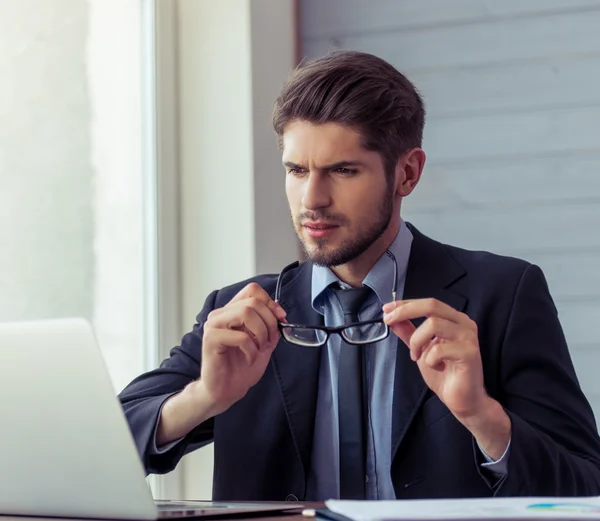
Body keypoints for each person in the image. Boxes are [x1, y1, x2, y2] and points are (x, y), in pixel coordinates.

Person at [119, 50, 600, 501]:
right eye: (297, 170)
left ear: (407, 174)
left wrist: (481, 416)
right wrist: (203, 397)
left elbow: (584, 486)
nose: (312, 200)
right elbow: (108, 438)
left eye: (343, 170)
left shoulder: (502, 294)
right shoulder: (238, 311)